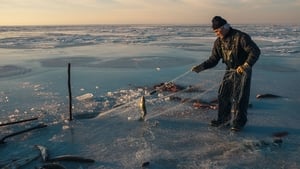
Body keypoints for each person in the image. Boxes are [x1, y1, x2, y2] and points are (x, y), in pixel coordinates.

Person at [191, 16, 260, 131]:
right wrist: (200, 67)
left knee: (240, 97)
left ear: (225, 27)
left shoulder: (241, 37)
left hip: (242, 70)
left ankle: (238, 123)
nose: (216, 34)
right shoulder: (218, 42)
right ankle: (223, 120)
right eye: (215, 31)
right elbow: (213, 59)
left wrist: (246, 65)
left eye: (218, 30)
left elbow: (255, 51)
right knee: (223, 95)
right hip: (229, 70)